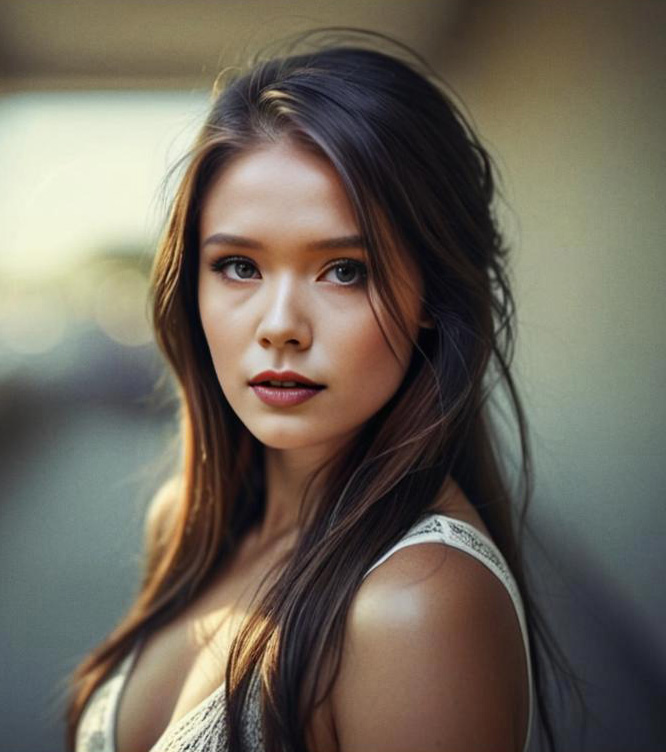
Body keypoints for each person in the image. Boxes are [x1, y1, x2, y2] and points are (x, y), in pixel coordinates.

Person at [66, 30, 577, 752]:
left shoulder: (414, 604)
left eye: (344, 271)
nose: (280, 327)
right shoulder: (184, 522)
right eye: (239, 266)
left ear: (431, 291)